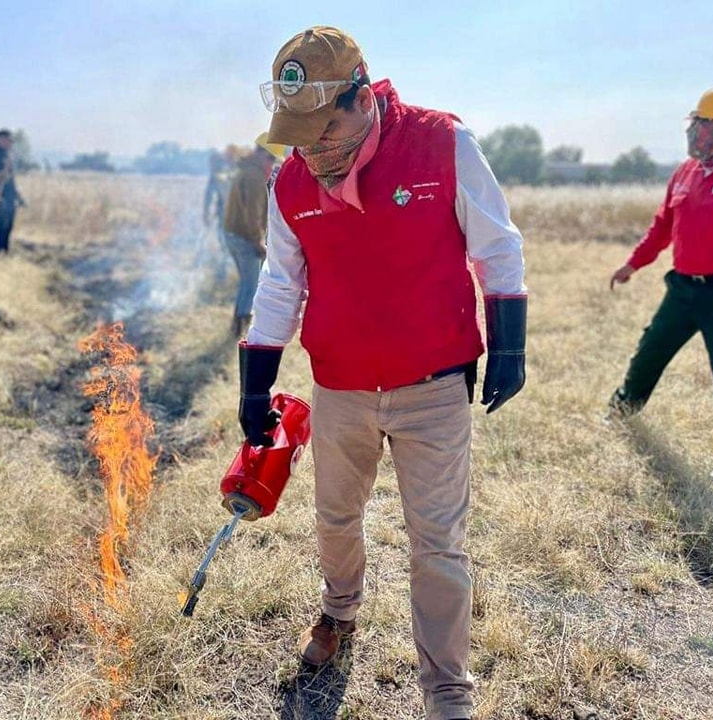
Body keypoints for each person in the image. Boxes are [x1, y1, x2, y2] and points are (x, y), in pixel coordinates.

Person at [236, 26, 526, 720]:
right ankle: (339, 614)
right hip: (339, 389)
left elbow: (498, 248)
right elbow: (281, 283)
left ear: (363, 95)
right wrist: (255, 382)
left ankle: (447, 692)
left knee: (437, 547)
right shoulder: (291, 181)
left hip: (432, 388)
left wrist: (509, 346)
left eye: (321, 128)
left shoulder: (444, 144)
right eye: (296, 133)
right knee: (336, 518)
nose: (310, 148)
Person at [609, 85, 713, 487]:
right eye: (693, 121)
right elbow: (662, 227)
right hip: (683, 289)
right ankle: (621, 411)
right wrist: (633, 263)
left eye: (703, 122)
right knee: (650, 350)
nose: (693, 129)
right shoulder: (686, 171)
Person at [223, 134, 285, 338]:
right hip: (243, 237)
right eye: (270, 159)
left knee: (245, 283)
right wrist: (258, 242)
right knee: (251, 285)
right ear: (261, 155)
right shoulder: (254, 177)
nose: (271, 165)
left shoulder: (246, 170)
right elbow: (252, 213)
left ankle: (236, 326)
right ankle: (240, 330)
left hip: (233, 234)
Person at [202, 150, 235, 282]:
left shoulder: (216, 176)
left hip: (227, 217)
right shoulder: (232, 173)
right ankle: (226, 274)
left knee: (225, 245)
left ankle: (223, 274)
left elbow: (209, 197)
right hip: (234, 216)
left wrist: (206, 214)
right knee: (229, 245)